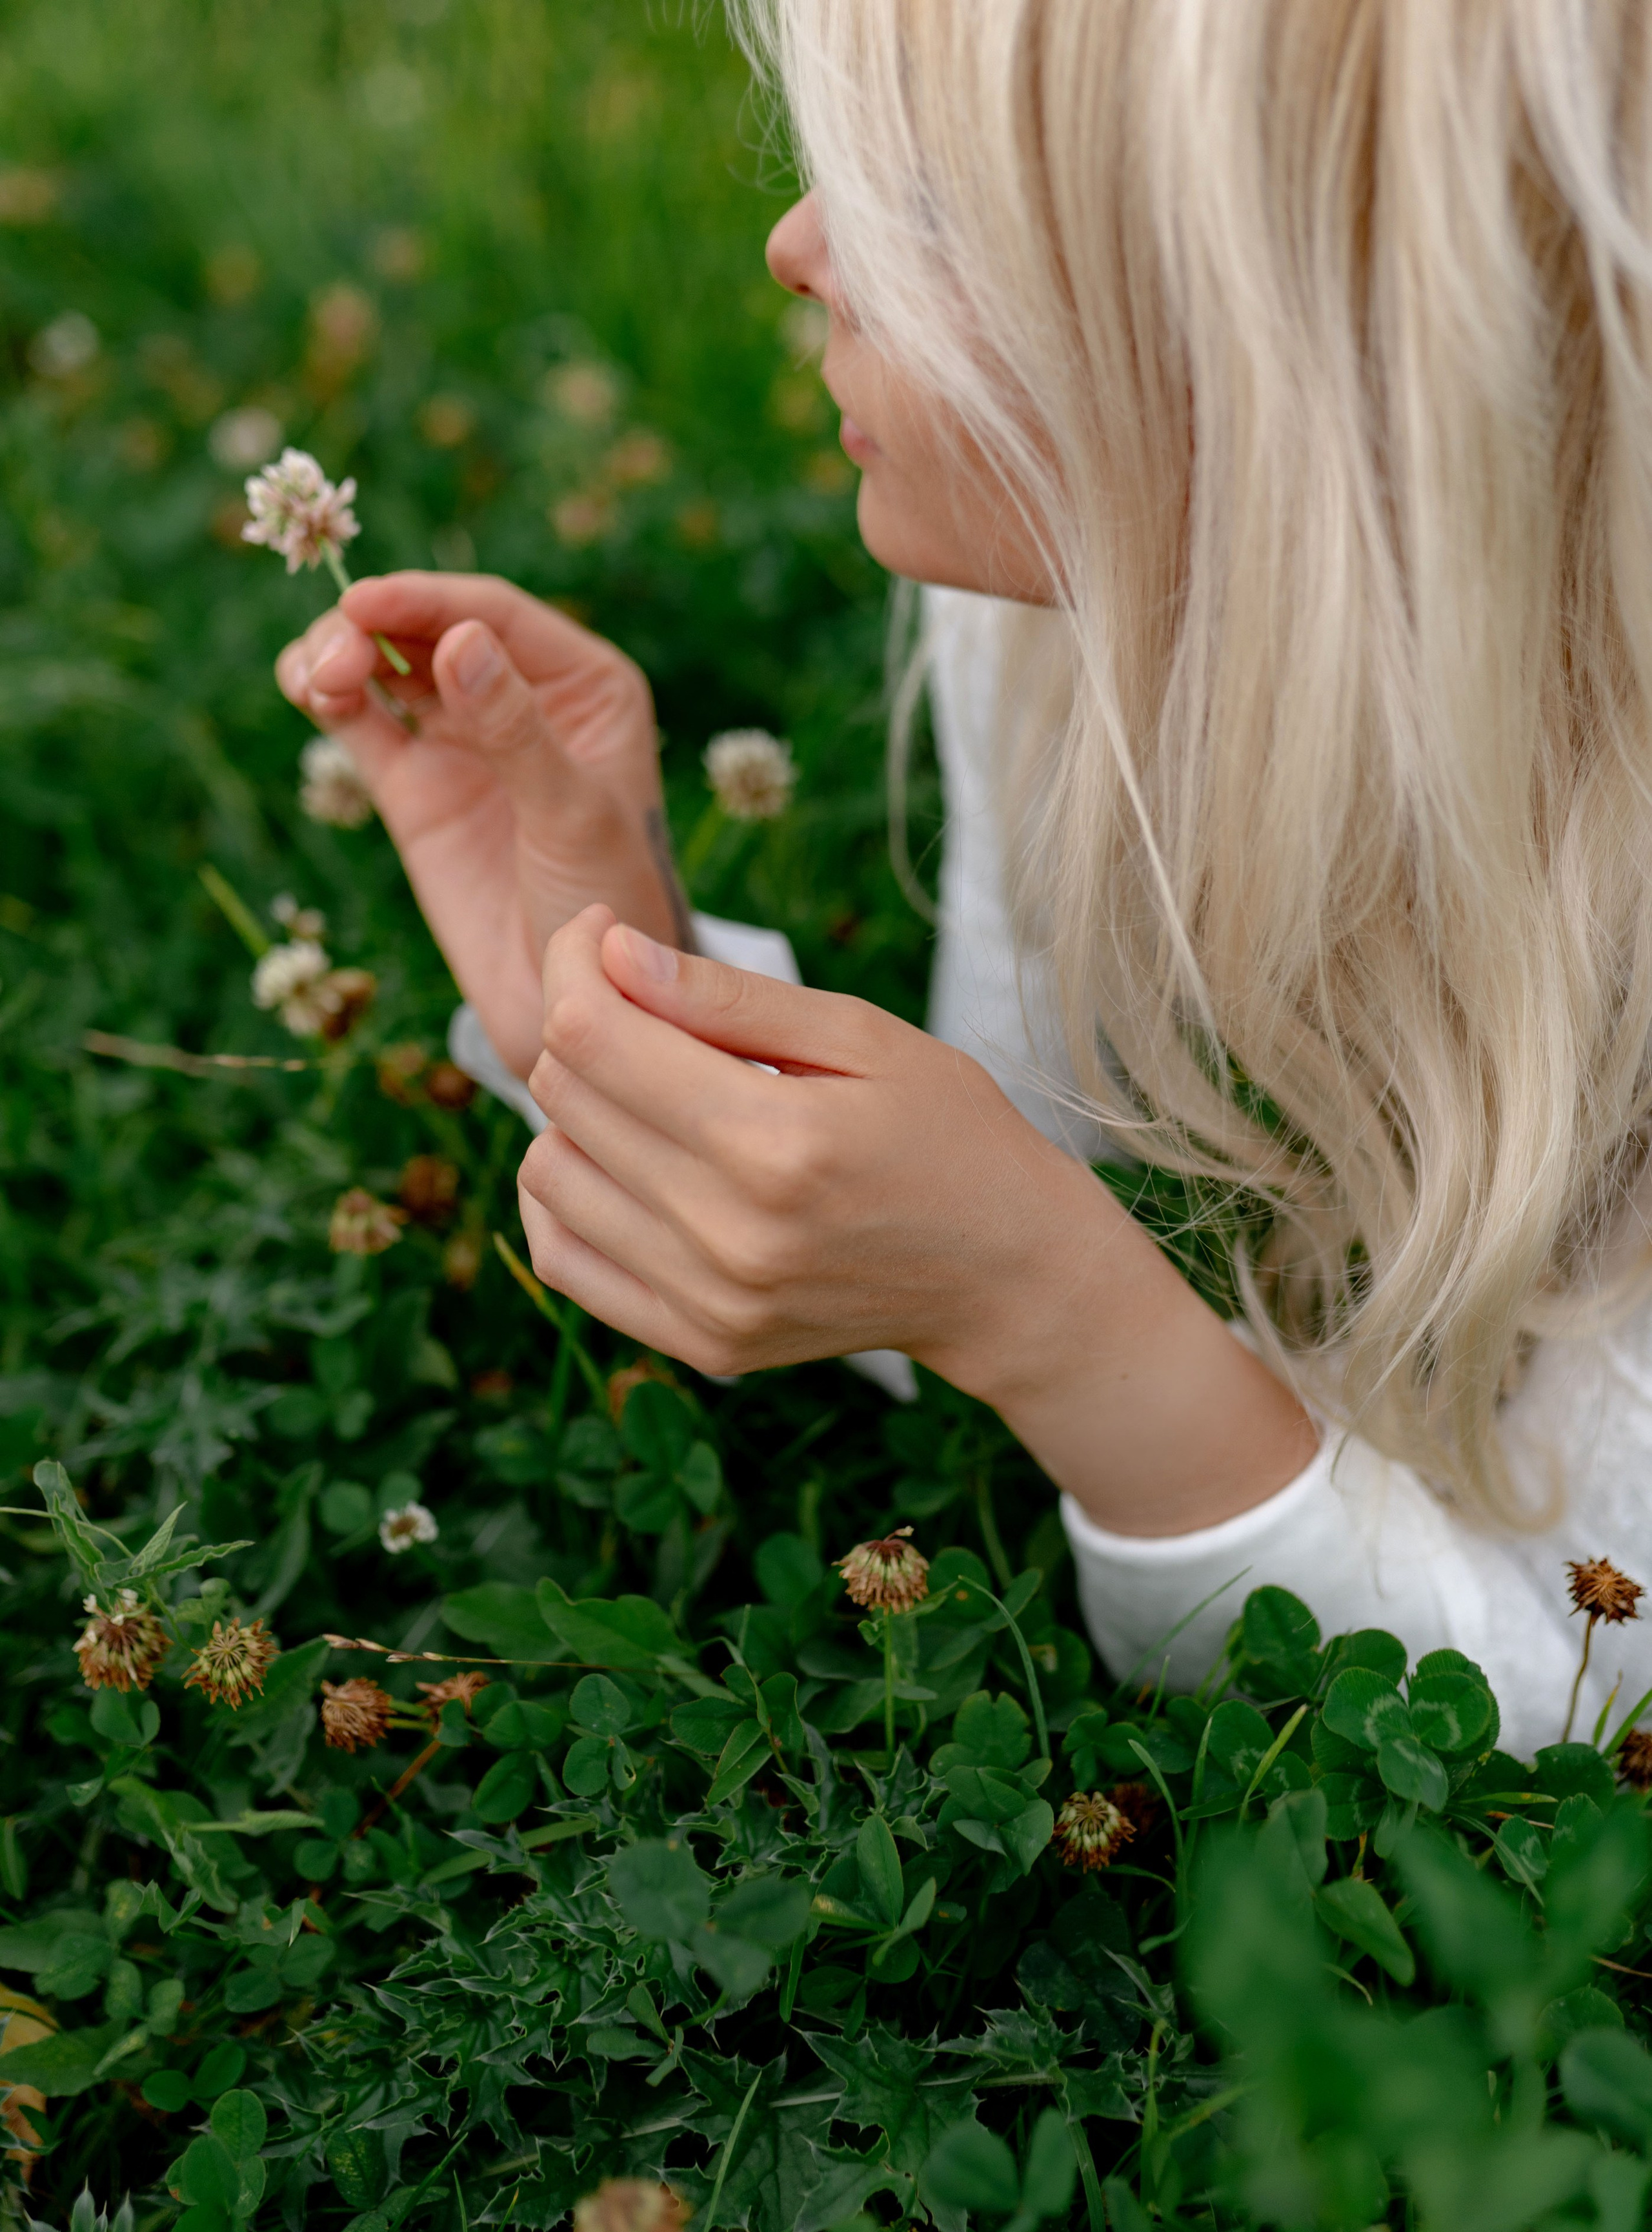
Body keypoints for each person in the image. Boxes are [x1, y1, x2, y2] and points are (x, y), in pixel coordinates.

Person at [274, 1, 1652, 1756]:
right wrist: (630, 981)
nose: (795, 244)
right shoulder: (1073, 597)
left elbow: (1588, 1698)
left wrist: (1053, 1316)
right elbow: (1005, 1164)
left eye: (928, 205)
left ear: (1290, 345)